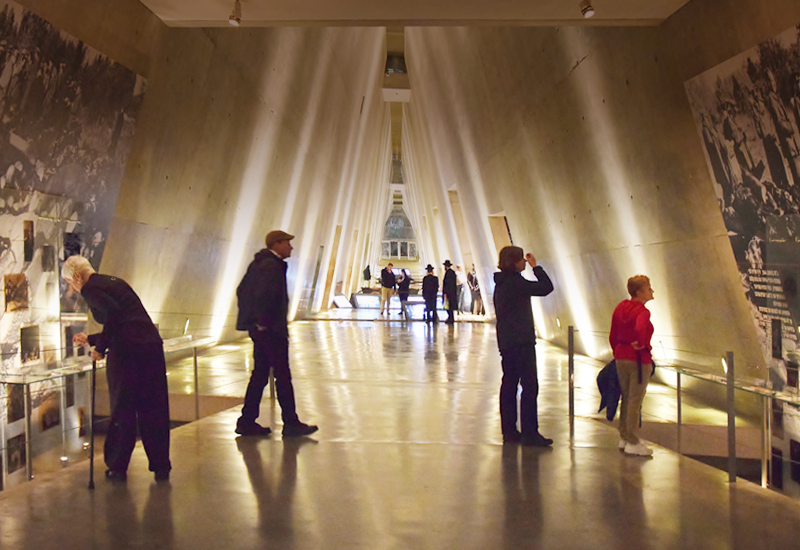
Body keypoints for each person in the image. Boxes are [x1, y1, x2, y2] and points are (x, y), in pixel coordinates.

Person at [61, 255, 171, 482]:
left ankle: (118, 467)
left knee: (123, 409)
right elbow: (126, 321)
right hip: (150, 346)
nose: (73, 288)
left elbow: (112, 317)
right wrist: (91, 338)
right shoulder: (114, 282)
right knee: (154, 408)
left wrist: (100, 348)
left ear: (78, 277)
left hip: (128, 355)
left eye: (71, 283)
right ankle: (161, 466)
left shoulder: (90, 288)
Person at [235, 230, 318, 438]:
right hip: (271, 332)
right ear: (276, 244)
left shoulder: (261, 264)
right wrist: (263, 324)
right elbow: (264, 296)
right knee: (282, 376)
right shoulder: (270, 266)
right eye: (287, 243)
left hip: (264, 330)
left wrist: (254, 323)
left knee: (260, 375)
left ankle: (246, 421)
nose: (291, 247)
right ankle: (290, 423)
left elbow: (242, 291)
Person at [493, 246, 554, 446]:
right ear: (515, 261)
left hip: (507, 342)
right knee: (529, 386)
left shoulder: (501, 283)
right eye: (522, 260)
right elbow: (546, 288)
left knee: (509, 385)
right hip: (522, 341)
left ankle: (509, 430)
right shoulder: (516, 283)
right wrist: (537, 268)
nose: (525, 263)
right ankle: (530, 432)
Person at [609, 275, 655, 457]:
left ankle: (624, 435)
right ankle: (633, 439)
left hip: (621, 355)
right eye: (648, 288)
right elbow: (640, 328)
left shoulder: (621, 307)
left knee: (626, 396)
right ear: (640, 292)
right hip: (638, 358)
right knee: (636, 399)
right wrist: (642, 343)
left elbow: (613, 333)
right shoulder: (643, 312)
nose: (652, 291)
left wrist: (618, 350)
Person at [442, 260, 457, 324]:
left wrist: (445, 292)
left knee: (449, 306)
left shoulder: (448, 273)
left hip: (449, 293)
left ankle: (450, 318)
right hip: (452, 292)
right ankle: (451, 318)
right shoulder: (453, 273)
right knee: (451, 306)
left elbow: (447, 284)